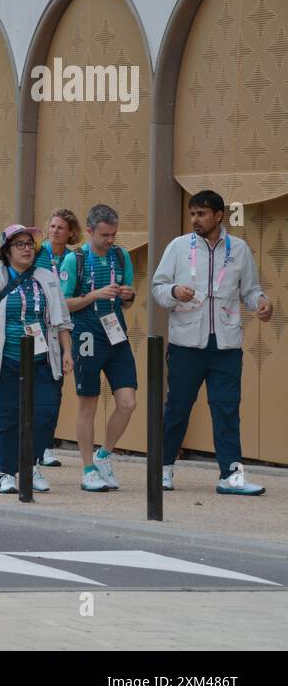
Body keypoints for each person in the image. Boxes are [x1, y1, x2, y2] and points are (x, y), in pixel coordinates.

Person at [151, 190, 274, 495]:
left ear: (219, 216)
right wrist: (174, 291)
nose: (195, 219)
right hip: (185, 344)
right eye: (193, 213)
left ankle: (231, 476)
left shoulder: (239, 249)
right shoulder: (178, 246)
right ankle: (163, 468)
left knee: (227, 410)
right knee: (177, 408)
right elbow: (158, 287)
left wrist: (262, 302)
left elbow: (250, 290)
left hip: (226, 345)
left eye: (202, 214)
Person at [0, 225, 74, 494]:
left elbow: (62, 319)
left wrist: (67, 352)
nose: (27, 249)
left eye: (30, 244)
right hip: (5, 360)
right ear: (6, 251)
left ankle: (30, 465)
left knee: (45, 414)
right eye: (20, 244)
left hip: (43, 360)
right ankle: (7, 472)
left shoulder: (46, 277)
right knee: (9, 417)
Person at [60, 204, 137, 492]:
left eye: (114, 234)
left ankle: (104, 455)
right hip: (87, 335)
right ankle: (87, 469)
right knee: (88, 404)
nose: (110, 240)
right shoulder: (75, 260)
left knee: (128, 402)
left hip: (116, 334)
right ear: (90, 231)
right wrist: (94, 295)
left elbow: (127, 300)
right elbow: (63, 304)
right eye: (105, 235)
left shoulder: (121, 256)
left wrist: (128, 295)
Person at [32, 208, 80, 467]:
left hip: (60, 329)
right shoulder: (37, 253)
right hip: (34, 326)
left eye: (60, 228)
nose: (54, 231)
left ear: (71, 232)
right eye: (52, 226)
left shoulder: (74, 259)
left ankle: (46, 445)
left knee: (53, 388)